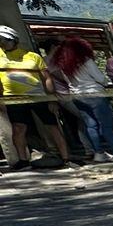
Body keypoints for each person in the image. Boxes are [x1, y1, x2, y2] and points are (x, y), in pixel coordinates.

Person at [54, 37, 113, 163]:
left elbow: (67, 82)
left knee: (90, 125)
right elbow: (101, 79)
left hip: (77, 97)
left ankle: (98, 153)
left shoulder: (64, 65)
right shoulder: (87, 62)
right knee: (107, 125)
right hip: (95, 95)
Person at [0, 25, 70, 169]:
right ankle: (23, 160)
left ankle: (65, 157)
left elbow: (47, 78)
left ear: (14, 40)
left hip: (38, 96)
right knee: (18, 128)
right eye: (1, 41)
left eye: (6, 40)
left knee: (52, 126)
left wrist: (51, 98)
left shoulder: (32, 56)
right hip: (13, 98)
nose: (3, 43)